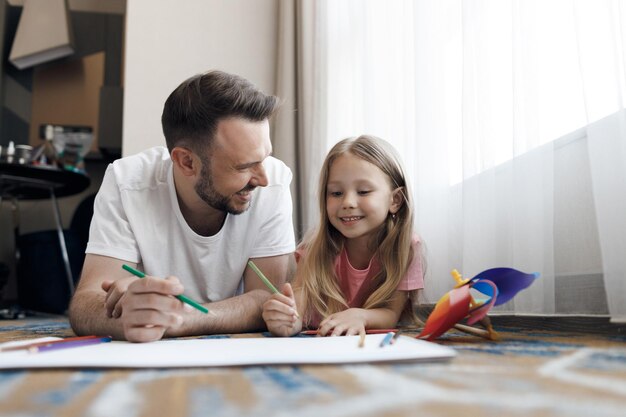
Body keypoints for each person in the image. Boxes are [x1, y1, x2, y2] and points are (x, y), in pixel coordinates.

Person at [69, 70, 296, 342]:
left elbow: (266, 298)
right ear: (186, 162)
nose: (262, 178)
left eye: (265, 158)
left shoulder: (274, 182)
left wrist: (180, 317)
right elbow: (85, 303)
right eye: (244, 166)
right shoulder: (127, 183)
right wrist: (126, 317)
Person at [262, 135, 424, 337]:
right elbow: (296, 313)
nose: (348, 202)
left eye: (363, 191)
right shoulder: (314, 251)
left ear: (396, 200)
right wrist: (284, 321)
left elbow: (391, 314)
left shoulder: (406, 247)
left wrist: (361, 316)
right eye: (336, 193)